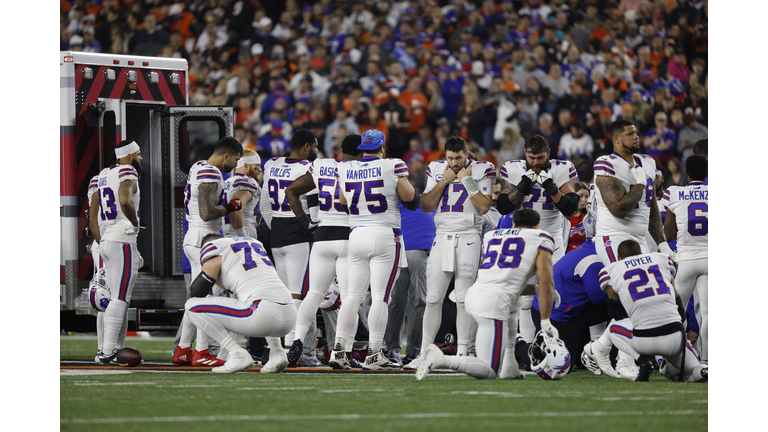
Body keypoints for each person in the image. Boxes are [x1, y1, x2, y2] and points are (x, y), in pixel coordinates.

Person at [415, 209, 558, 380]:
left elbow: (508, 283)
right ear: (537, 225)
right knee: (489, 370)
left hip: (476, 293)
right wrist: (546, 322)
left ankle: (509, 367)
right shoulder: (541, 237)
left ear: (513, 225)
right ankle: (442, 359)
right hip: (493, 303)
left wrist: (535, 290)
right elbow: (546, 284)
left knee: (514, 306)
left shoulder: (493, 236)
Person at [584, 119, 676, 379]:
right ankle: (625, 360)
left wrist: (661, 243)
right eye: (630, 134)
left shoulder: (647, 162)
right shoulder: (606, 163)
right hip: (613, 237)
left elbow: (651, 206)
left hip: (640, 239)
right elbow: (619, 208)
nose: (636, 137)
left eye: (636, 133)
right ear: (616, 139)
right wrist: (639, 184)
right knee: (628, 296)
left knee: (645, 295)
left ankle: (599, 347)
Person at [331, 129, 420, 370]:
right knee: (381, 296)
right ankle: (374, 354)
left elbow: (342, 201)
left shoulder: (346, 168)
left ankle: (339, 351)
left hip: (356, 234)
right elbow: (411, 200)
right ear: (382, 147)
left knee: (352, 296)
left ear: (362, 148)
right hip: (384, 234)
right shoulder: (392, 165)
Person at [404, 136, 496, 370]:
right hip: (442, 236)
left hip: (469, 236)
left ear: (466, 154)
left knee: (463, 298)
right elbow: (425, 205)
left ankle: (463, 352)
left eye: (459, 157)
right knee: (433, 298)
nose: (454, 162)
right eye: (451, 158)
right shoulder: (436, 168)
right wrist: (443, 181)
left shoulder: (483, 169)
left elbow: (483, 206)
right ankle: (424, 352)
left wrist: (467, 180)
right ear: (445, 155)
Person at [285, 135, 363, 367]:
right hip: (348, 237)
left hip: (322, 236)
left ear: (341, 149)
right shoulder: (362, 170)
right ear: (362, 152)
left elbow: (292, 190)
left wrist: (306, 222)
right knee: (350, 298)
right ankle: (343, 351)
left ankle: (297, 340)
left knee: (313, 294)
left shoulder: (322, 165)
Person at [496, 135, 580, 344]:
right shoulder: (512, 168)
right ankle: (527, 346)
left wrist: (551, 187)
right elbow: (503, 207)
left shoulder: (562, 169)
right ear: (525, 153)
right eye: (531, 157)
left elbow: (571, 208)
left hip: (552, 240)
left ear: (548, 153)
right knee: (525, 300)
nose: (535, 162)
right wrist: (523, 185)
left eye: (540, 158)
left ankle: (552, 343)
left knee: (555, 293)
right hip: (522, 241)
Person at [174, 137, 243, 367]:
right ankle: (201, 351)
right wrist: (230, 207)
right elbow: (206, 213)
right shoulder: (210, 173)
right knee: (207, 298)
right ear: (226, 155)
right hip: (204, 239)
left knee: (197, 298)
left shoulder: (198, 166)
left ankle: (183, 349)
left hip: (196, 239)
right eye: (235, 160)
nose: (235, 165)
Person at [184, 233, 297, 373]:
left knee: (192, 306)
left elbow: (197, 292)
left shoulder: (216, 251)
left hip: (262, 314)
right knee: (256, 299)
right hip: (290, 315)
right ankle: (277, 351)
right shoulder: (252, 247)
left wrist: (215, 279)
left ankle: (236, 353)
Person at [598, 239, 707, 382]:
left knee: (613, 327)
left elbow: (616, 313)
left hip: (644, 341)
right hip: (675, 337)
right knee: (694, 369)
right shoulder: (661, 259)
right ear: (641, 253)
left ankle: (643, 360)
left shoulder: (611, 270)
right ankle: (702, 371)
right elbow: (678, 302)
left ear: (618, 258)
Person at [258, 129, 320, 361]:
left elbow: (264, 205)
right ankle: (291, 348)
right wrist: (311, 227)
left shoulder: (272, 164)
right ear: (306, 146)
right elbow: (313, 207)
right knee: (297, 294)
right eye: (315, 146)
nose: (316, 150)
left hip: (277, 231)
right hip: (298, 230)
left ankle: (281, 347)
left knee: (285, 294)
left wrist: (275, 226)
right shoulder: (309, 168)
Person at [91, 140, 144, 365]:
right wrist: (135, 223)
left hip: (106, 241)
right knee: (120, 299)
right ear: (129, 156)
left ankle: (105, 349)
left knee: (115, 298)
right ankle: (108, 352)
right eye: (138, 154)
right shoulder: (128, 171)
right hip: (121, 240)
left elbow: (92, 215)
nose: (141, 158)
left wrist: (102, 239)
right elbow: (125, 199)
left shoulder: (103, 174)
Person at [661, 155, 708, 364]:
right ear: (706, 174)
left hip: (686, 259)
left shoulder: (674, 192)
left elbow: (669, 234)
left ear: (686, 174)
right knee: (707, 312)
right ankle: (706, 361)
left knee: (673, 311)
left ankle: (671, 359)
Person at [382, 200, 435, 366]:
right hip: (407, 249)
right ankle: (410, 351)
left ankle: (400, 350)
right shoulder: (429, 199)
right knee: (414, 302)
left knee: (402, 302)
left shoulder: (397, 198)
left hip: (404, 249)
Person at [221, 149, 261, 238]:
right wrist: (243, 237)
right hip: (242, 235)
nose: (260, 169)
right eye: (257, 166)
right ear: (246, 166)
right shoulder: (246, 183)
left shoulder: (227, 182)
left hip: (226, 235)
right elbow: (235, 210)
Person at [566, 182, 592, 253]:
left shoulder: (592, 216)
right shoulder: (562, 217)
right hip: (566, 256)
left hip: (586, 255)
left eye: (586, 197)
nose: (584, 200)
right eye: (580, 196)